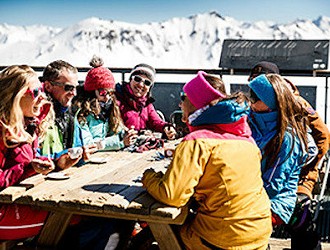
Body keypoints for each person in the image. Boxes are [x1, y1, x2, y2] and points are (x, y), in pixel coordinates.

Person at [142, 71, 272, 249]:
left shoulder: (197, 142)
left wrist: (149, 177)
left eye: (184, 97)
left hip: (224, 238)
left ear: (196, 104)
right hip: (259, 233)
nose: (180, 103)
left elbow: (172, 195)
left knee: (155, 235)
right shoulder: (246, 139)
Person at [249, 62, 329, 249]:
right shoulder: (255, 112)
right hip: (272, 170)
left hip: (296, 172)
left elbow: (322, 136)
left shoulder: (296, 104)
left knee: (302, 217)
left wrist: (308, 171)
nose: (250, 98)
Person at [248, 73, 311, 226]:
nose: (250, 100)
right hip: (250, 193)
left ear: (270, 103)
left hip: (275, 202)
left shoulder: (287, 138)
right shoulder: (251, 121)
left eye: (255, 97)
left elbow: (273, 184)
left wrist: (241, 196)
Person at [0, 65, 54, 240]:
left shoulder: (28, 124)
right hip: (4, 212)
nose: (42, 97)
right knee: (76, 216)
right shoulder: (2, 129)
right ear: (15, 96)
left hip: (17, 201)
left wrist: (54, 162)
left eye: (42, 90)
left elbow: (22, 163)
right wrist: (27, 168)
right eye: (36, 91)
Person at [40, 60, 97, 168]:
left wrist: (82, 154)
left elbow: (74, 152)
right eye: (68, 88)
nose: (74, 93)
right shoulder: (37, 115)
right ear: (48, 86)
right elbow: (33, 159)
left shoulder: (71, 115)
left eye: (75, 87)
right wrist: (60, 160)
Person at [74, 56, 137, 150]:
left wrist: (127, 134)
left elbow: (117, 131)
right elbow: (88, 145)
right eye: (102, 92)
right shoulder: (82, 113)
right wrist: (120, 141)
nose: (107, 97)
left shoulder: (109, 108)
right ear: (92, 93)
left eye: (110, 93)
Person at [115, 63, 177, 140]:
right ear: (130, 79)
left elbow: (156, 122)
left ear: (149, 88)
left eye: (147, 83)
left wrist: (167, 128)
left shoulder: (146, 104)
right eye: (137, 79)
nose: (141, 85)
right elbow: (114, 125)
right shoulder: (118, 99)